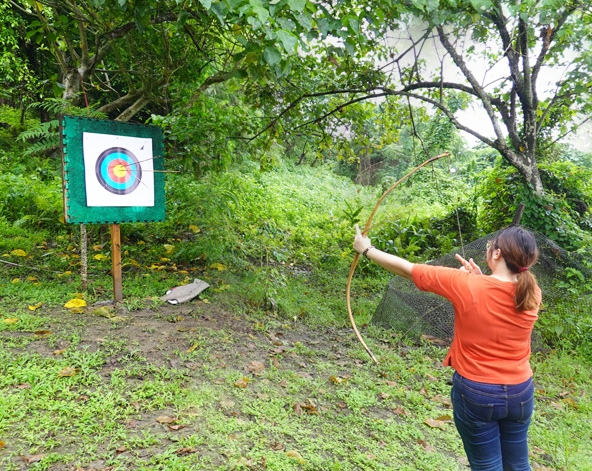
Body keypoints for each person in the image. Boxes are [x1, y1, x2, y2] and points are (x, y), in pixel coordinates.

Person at [353, 224, 541, 471]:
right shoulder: (532, 292)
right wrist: (479, 279)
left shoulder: (465, 284)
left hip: (477, 394)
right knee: (518, 466)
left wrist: (367, 249)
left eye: (490, 245)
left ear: (496, 254)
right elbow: (498, 295)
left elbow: (408, 270)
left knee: (487, 467)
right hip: (521, 392)